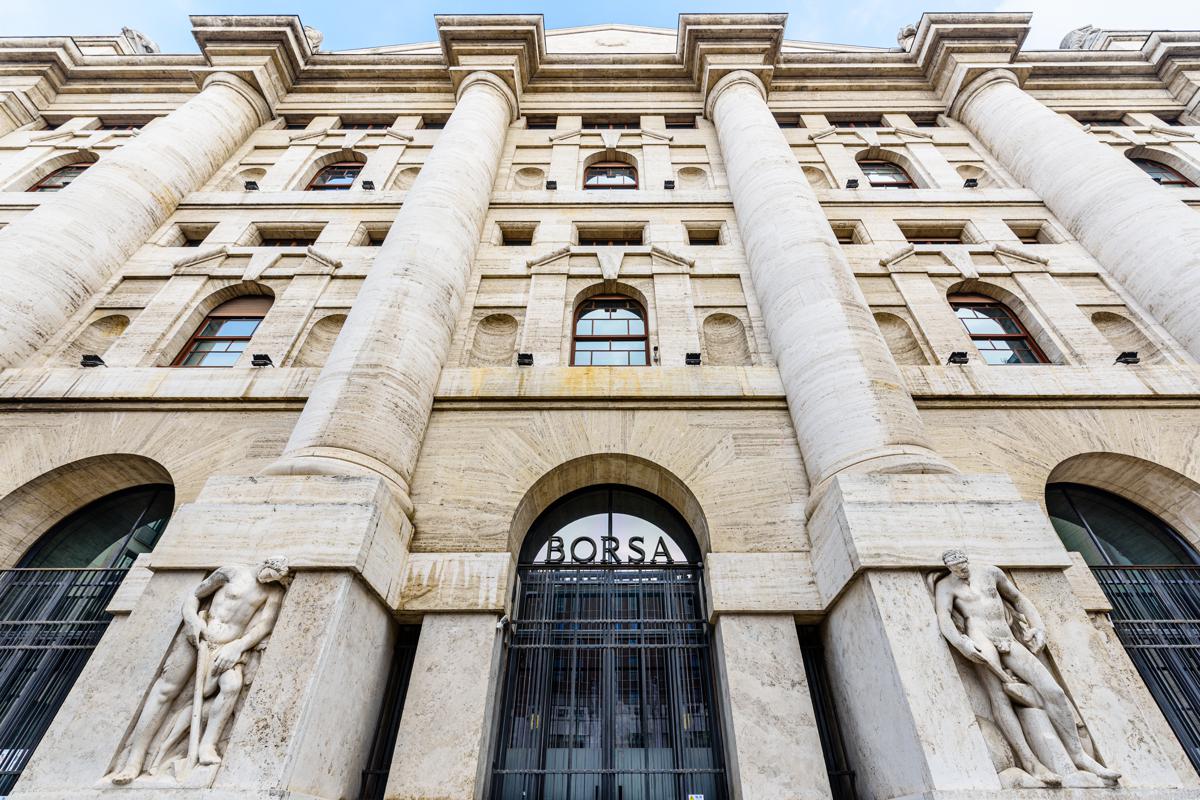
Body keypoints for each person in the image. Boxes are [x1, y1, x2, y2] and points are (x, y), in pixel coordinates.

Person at [934, 549, 1119, 785]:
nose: (962, 570)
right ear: (949, 568)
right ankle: (1030, 763)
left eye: (964, 565)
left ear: (967, 560)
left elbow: (1019, 599)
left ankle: (1079, 756)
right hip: (981, 639)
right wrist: (962, 644)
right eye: (957, 568)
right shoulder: (946, 586)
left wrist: (1037, 626)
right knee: (999, 698)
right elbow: (944, 617)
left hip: (1008, 639)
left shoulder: (990, 573)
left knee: (1054, 691)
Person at [110, 557, 289, 785]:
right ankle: (133, 761)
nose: (270, 579)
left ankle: (207, 745)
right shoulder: (231, 572)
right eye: (270, 574)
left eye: (275, 578)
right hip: (199, 637)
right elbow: (195, 595)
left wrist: (238, 646)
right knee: (166, 690)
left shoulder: (274, 592)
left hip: (227, 648)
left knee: (232, 685)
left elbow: (265, 624)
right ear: (266, 564)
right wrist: (191, 620)